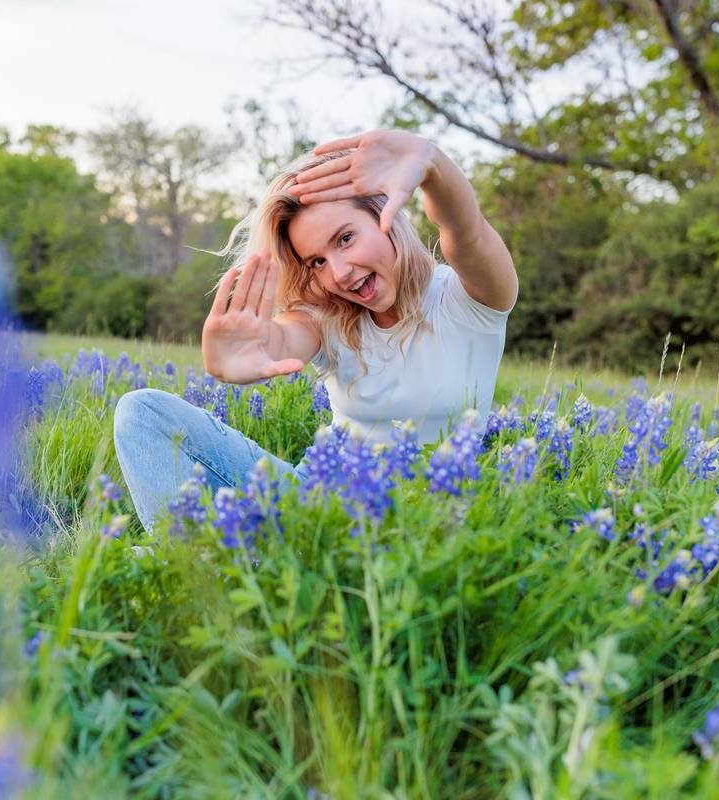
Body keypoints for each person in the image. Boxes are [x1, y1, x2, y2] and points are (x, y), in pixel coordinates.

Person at [113, 129, 519, 532]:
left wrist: (433, 164)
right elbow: (286, 338)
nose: (339, 273)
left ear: (385, 215)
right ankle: (190, 569)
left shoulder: (469, 301)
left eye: (345, 238)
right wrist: (254, 349)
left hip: (420, 519)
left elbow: (468, 234)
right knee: (141, 411)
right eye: (317, 262)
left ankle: (243, 561)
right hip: (316, 502)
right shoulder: (328, 315)